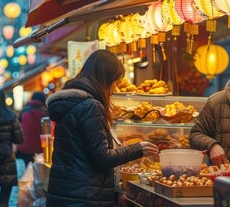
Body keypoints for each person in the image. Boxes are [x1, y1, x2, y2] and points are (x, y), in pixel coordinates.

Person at [45, 49, 159, 206]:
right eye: (116, 83)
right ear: (105, 78)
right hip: (85, 197)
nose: (114, 90)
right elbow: (102, 157)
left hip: (66, 192)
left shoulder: (72, 102)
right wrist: (138, 149)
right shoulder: (90, 106)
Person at [16, 92, 48, 166]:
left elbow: (18, 127)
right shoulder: (46, 113)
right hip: (40, 151)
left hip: (22, 149)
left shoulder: (24, 111)